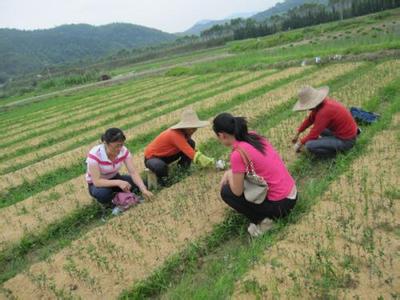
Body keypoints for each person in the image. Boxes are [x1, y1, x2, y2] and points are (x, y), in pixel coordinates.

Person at [213, 113, 298, 237]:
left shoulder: (237, 154)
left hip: (281, 205)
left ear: (221, 135)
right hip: (292, 194)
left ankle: (265, 221)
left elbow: (237, 191)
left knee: (226, 191)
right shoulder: (253, 136)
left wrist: (229, 174)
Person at [144, 108, 219, 185]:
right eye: (192, 128)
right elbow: (191, 153)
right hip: (152, 158)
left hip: (167, 155)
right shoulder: (175, 135)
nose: (194, 130)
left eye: (195, 128)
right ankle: (164, 182)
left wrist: (199, 155)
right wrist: (212, 163)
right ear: (185, 127)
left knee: (190, 143)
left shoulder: (185, 134)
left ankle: (183, 169)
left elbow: (189, 149)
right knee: (160, 167)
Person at [86, 128, 153, 212]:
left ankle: (120, 197)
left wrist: (143, 189)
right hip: (98, 185)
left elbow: (133, 172)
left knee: (142, 183)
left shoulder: (123, 150)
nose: (119, 149)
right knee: (103, 194)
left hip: (115, 177)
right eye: (116, 146)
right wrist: (119, 182)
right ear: (106, 143)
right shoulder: (94, 155)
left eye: (121, 145)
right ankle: (112, 203)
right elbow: (97, 181)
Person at [292, 86, 359, 158]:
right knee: (320, 129)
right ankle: (330, 142)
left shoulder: (323, 112)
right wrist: (298, 133)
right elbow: (310, 120)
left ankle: (335, 154)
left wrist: (299, 144)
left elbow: (313, 134)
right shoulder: (323, 104)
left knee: (309, 145)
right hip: (347, 133)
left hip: (347, 141)